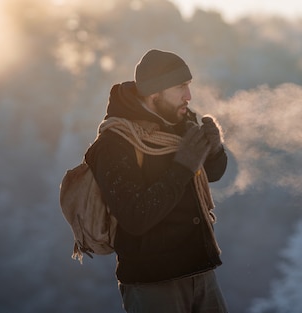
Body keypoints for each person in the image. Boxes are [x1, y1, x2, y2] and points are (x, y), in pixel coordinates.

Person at [85, 49, 229, 313]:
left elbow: (213, 174)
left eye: (189, 86)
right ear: (154, 94)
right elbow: (136, 216)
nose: (189, 96)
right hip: (154, 284)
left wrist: (215, 149)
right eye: (180, 87)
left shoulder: (180, 122)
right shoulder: (115, 143)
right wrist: (183, 165)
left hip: (201, 273)